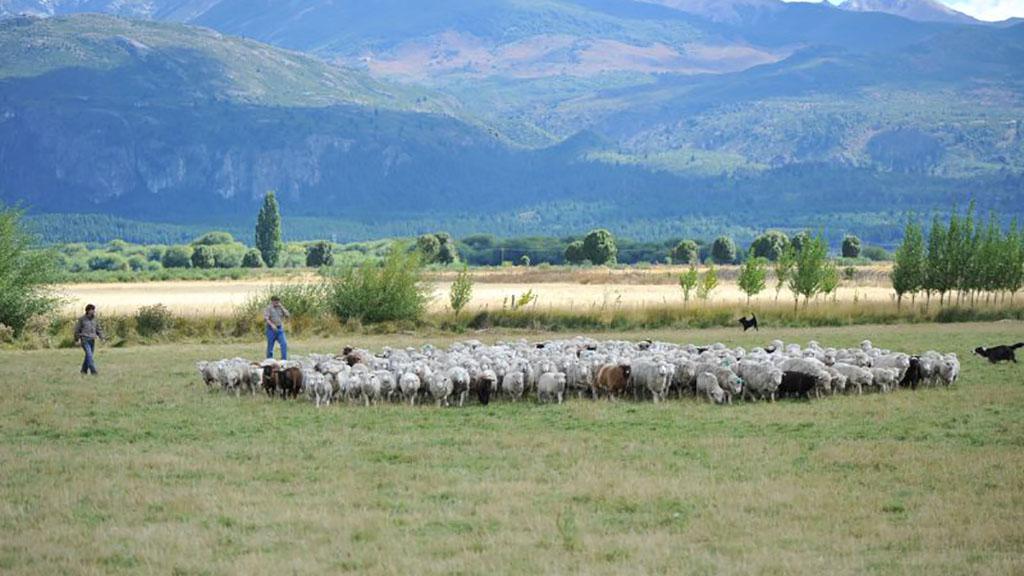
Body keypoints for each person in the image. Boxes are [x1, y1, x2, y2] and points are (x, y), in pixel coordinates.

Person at [74, 304, 105, 375]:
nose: (94, 311)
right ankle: (93, 371)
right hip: (84, 340)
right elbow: (77, 330)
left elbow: (98, 329)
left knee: (88, 356)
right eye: (92, 310)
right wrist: (76, 340)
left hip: (92, 340)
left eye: (94, 309)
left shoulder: (95, 319)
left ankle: (83, 371)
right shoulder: (82, 319)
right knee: (90, 355)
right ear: (88, 311)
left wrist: (102, 337)